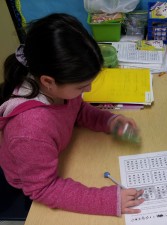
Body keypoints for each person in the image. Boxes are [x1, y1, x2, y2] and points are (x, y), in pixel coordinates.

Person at [0, 13, 144, 216]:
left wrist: (109, 121)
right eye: (82, 86)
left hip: (52, 158)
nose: (89, 89)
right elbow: (42, 188)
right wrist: (107, 200)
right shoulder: (29, 129)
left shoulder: (55, 85)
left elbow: (77, 110)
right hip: (24, 186)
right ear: (48, 81)